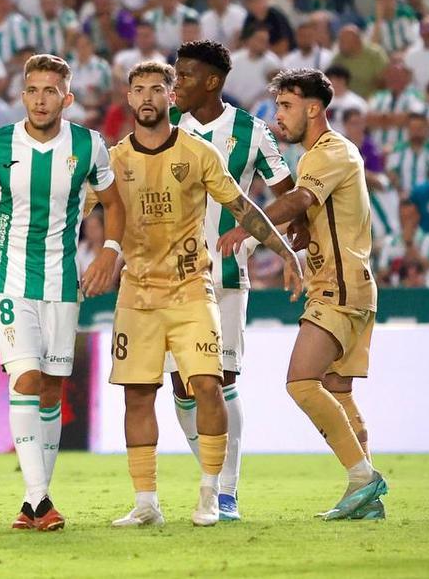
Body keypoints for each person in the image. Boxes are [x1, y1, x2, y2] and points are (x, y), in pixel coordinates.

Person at [108, 60, 300, 528]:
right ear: (130, 99)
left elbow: (243, 206)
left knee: (210, 385)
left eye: (158, 88)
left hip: (193, 289)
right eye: (140, 90)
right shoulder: (112, 159)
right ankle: (146, 502)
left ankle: (213, 494)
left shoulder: (198, 153)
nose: (149, 97)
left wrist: (285, 252)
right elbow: (73, 208)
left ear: (169, 96)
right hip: (136, 293)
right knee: (138, 394)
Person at [0, 54, 124, 531]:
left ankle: (33, 504)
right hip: (8, 280)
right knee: (25, 377)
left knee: (50, 388)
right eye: (32, 90)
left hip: (63, 283)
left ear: (66, 98)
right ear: (22, 95)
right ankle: (40, 500)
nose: (40, 99)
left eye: (50, 91)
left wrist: (110, 250)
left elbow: (114, 203)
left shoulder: (88, 145)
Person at [218, 68, 385, 520]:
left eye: (286, 107)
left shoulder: (329, 152)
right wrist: (298, 234)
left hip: (339, 286)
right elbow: (311, 218)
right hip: (349, 285)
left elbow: (296, 201)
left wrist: (246, 230)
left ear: (314, 108)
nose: (278, 118)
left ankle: (364, 479)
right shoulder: (327, 155)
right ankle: (366, 498)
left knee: (300, 381)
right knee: (337, 389)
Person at [170, 40, 294, 521]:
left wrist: (257, 237)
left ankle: (226, 490)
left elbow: (288, 195)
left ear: (213, 81)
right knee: (182, 385)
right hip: (170, 279)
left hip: (225, 275)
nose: (175, 84)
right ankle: (211, 476)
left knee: (220, 380)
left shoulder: (251, 131)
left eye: (184, 76)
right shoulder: (166, 127)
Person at [378, 200, 429, 287]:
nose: (406, 221)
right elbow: (381, 272)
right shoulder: (389, 243)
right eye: (403, 217)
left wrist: (409, 243)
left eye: (409, 217)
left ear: (417, 217)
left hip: (427, 290)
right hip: (397, 292)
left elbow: (426, 266)